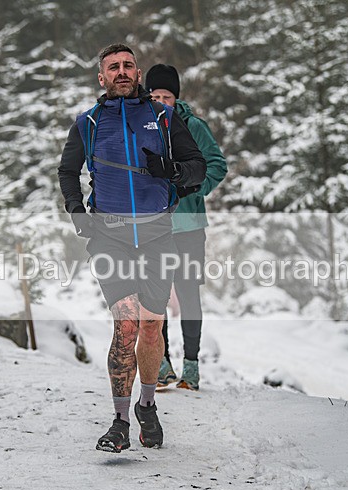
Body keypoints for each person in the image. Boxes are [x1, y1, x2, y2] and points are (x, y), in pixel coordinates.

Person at [57, 44, 206, 453]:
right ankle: (120, 421)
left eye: (127, 66)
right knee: (125, 323)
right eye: (113, 67)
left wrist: (172, 171)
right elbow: (68, 171)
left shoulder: (163, 116)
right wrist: (77, 212)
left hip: (158, 235)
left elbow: (199, 167)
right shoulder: (87, 123)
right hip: (110, 237)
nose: (121, 72)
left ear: (137, 73)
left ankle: (147, 405)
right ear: (101, 78)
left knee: (151, 324)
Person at [145, 64, 228, 391]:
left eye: (166, 96)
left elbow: (217, 165)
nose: (161, 100)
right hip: (154, 226)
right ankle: (162, 362)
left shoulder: (193, 126)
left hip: (189, 226)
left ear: (175, 97)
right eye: (155, 95)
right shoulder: (144, 125)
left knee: (188, 293)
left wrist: (195, 189)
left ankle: (191, 366)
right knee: (156, 295)